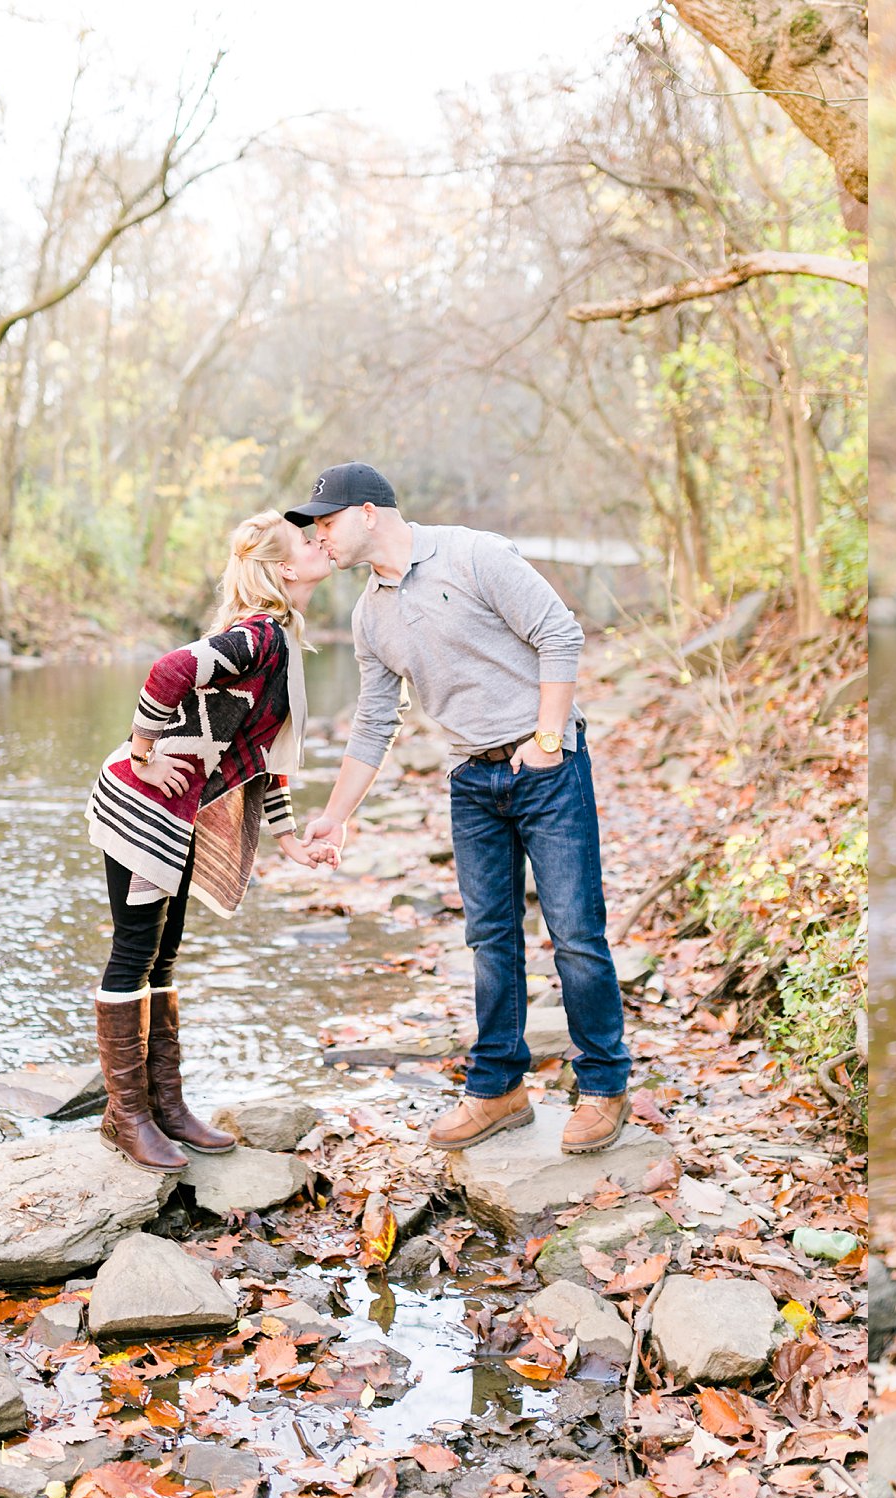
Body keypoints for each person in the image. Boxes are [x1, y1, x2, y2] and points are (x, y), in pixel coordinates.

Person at [288, 462, 631, 1155]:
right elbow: (374, 721)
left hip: (548, 768)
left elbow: (559, 636)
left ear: (369, 514)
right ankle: (499, 1089)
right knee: (488, 939)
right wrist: (336, 814)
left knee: (575, 934)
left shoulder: (475, 554)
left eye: (325, 522)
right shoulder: (368, 615)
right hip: (472, 783)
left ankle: (603, 1087)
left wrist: (545, 740)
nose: (319, 536)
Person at [84, 511, 336, 1173]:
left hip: (182, 809)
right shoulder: (256, 636)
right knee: (134, 950)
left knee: (163, 956)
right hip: (142, 804)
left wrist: (289, 840)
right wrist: (142, 750)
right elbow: (169, 670)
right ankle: (126, 1116)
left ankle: (165, 1105)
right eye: (308, 542)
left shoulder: (276, 637)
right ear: (285, 569)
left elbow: (257, 761)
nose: (320, 546)